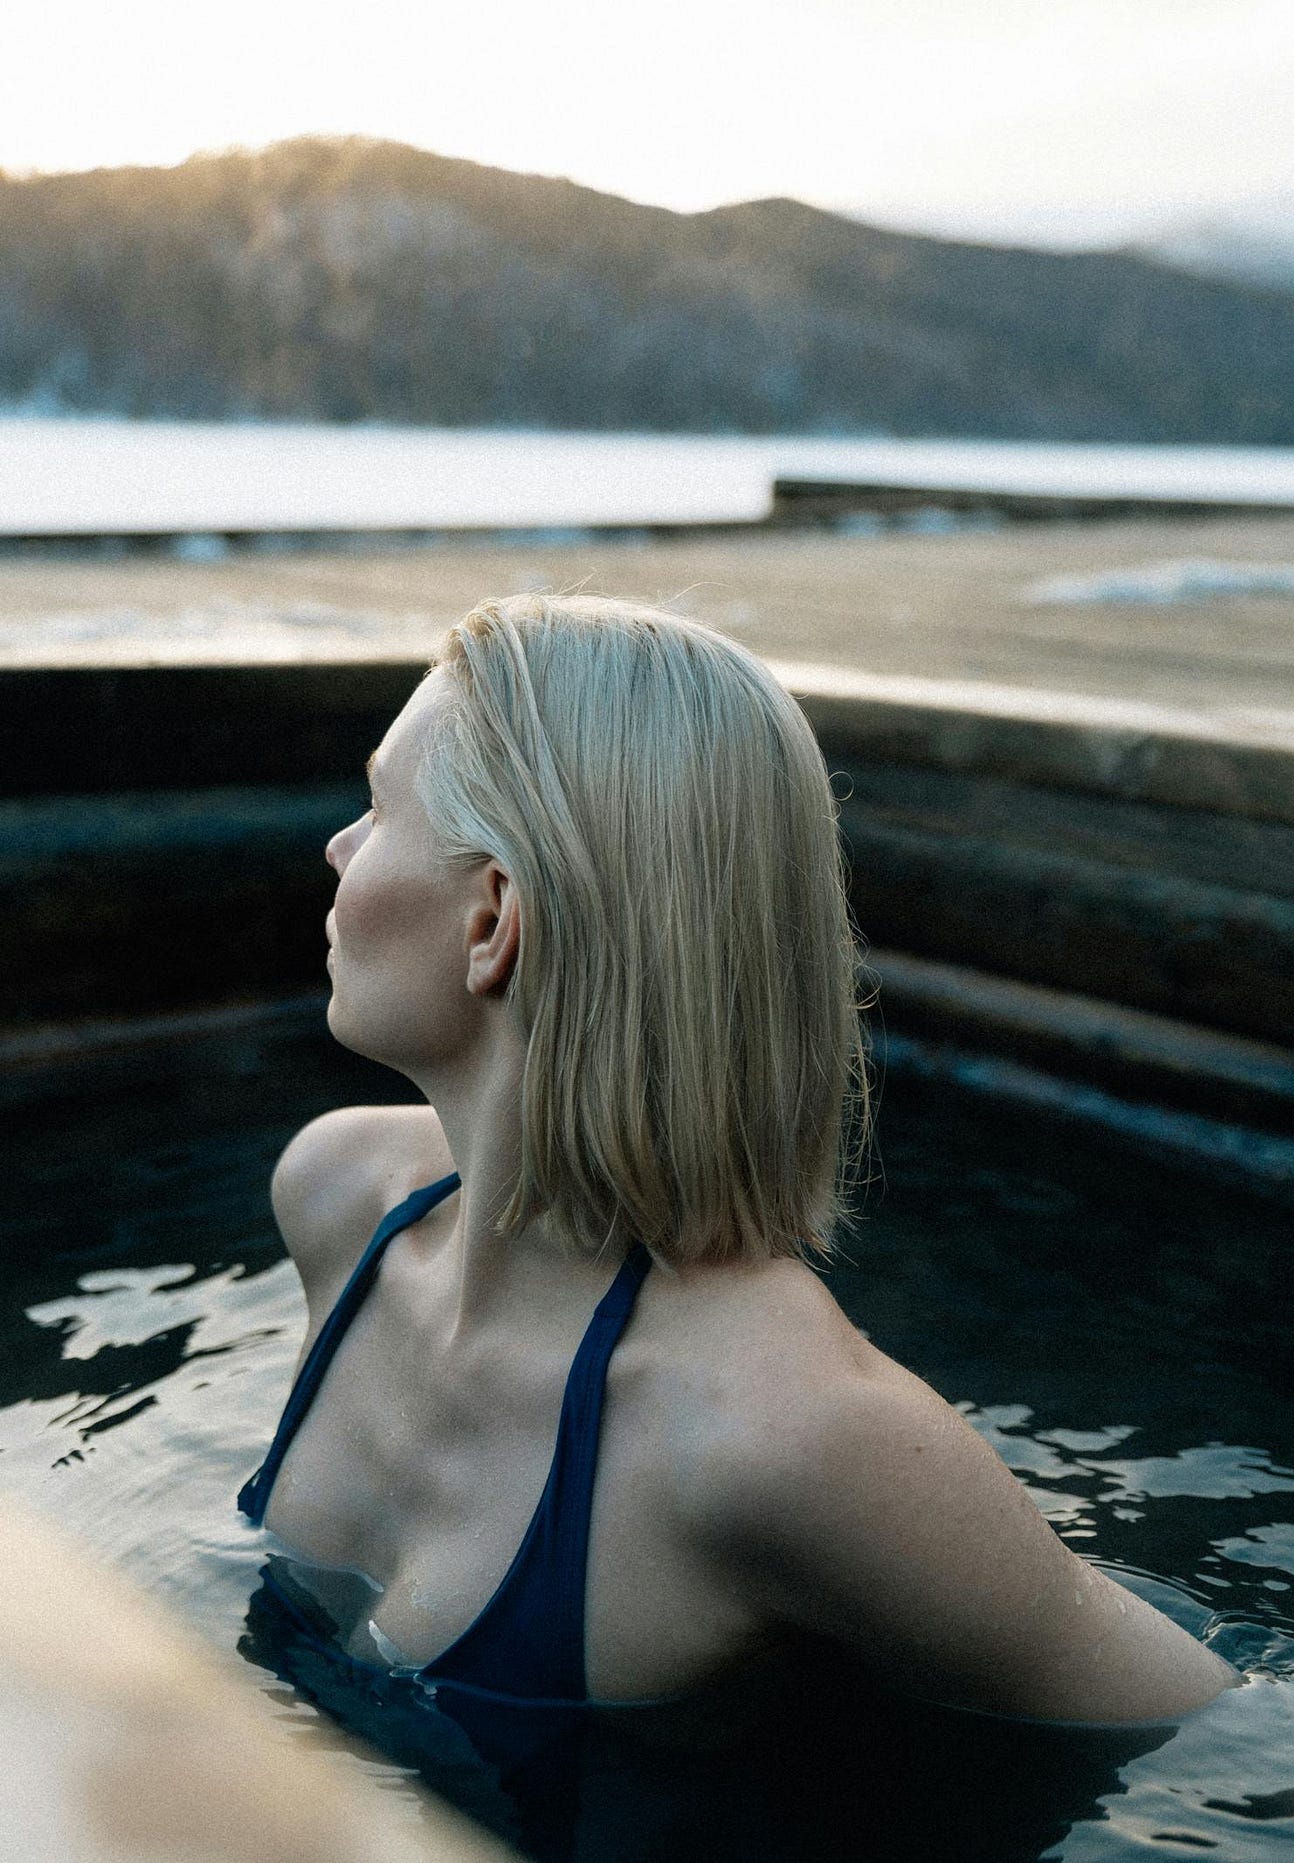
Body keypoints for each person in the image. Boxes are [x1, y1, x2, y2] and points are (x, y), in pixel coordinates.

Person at [239, 592, 1239, 1726]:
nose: (337, 846)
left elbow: (1246, 1749)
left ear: (492, 923)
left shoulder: (781, 1438)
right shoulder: (338, 1198)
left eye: (377, 809)